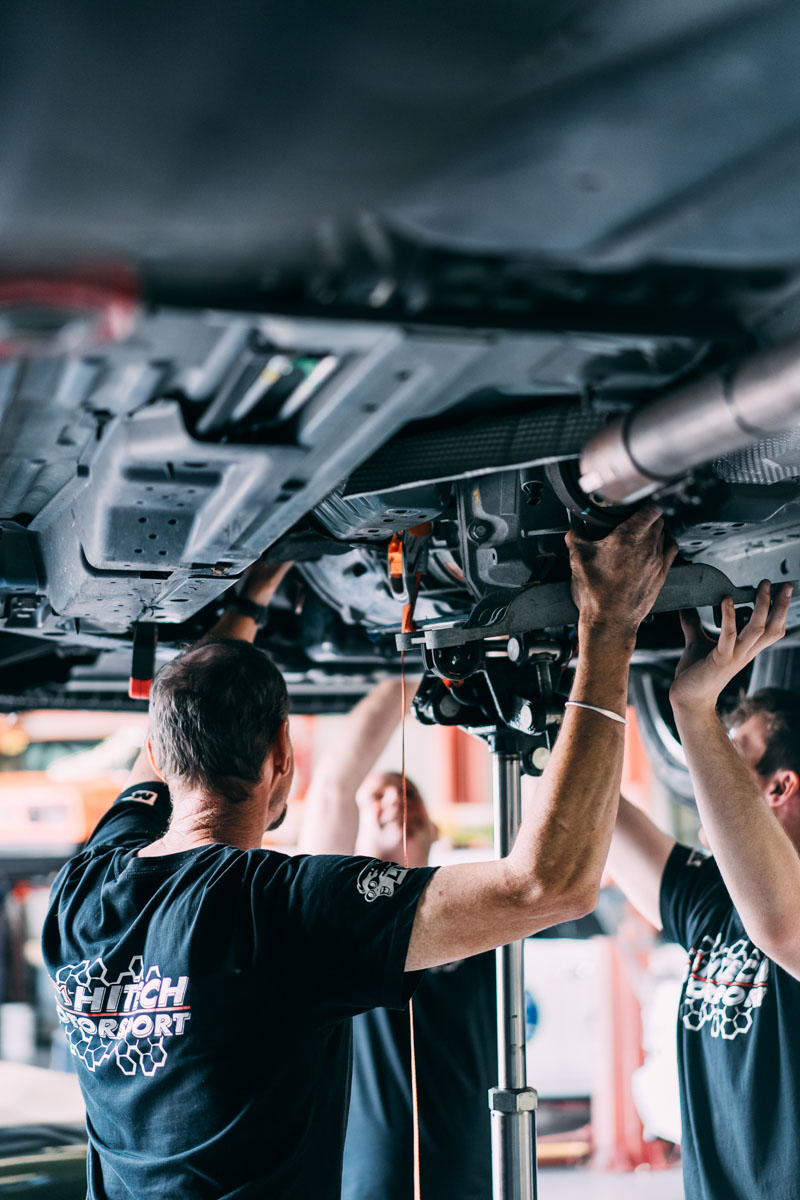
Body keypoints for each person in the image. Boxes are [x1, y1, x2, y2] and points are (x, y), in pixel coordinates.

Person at [42, 507, 674, 1199]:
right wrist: (609, 626)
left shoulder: (84, 888)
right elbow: (548, 888)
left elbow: (177, 717)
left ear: (162, 758)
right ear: (282, 756)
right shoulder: (277, 908)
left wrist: (250, 602)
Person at [608, 581, 797, 1200]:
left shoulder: (781, 914)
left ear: (779, 788)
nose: (700, 768)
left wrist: (695, 710)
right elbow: (598, 813)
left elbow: (780, 927)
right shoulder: (715, 898)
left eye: (733, 749)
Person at [298, 679, 496, 1200]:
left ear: (432, 829)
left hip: (470, 1172)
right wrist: (408, 676)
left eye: (408, 793)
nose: (395, 799)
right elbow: (333, 788)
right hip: (368, 1179)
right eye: (379, 795)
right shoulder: (331, 915)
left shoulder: (471, 909)